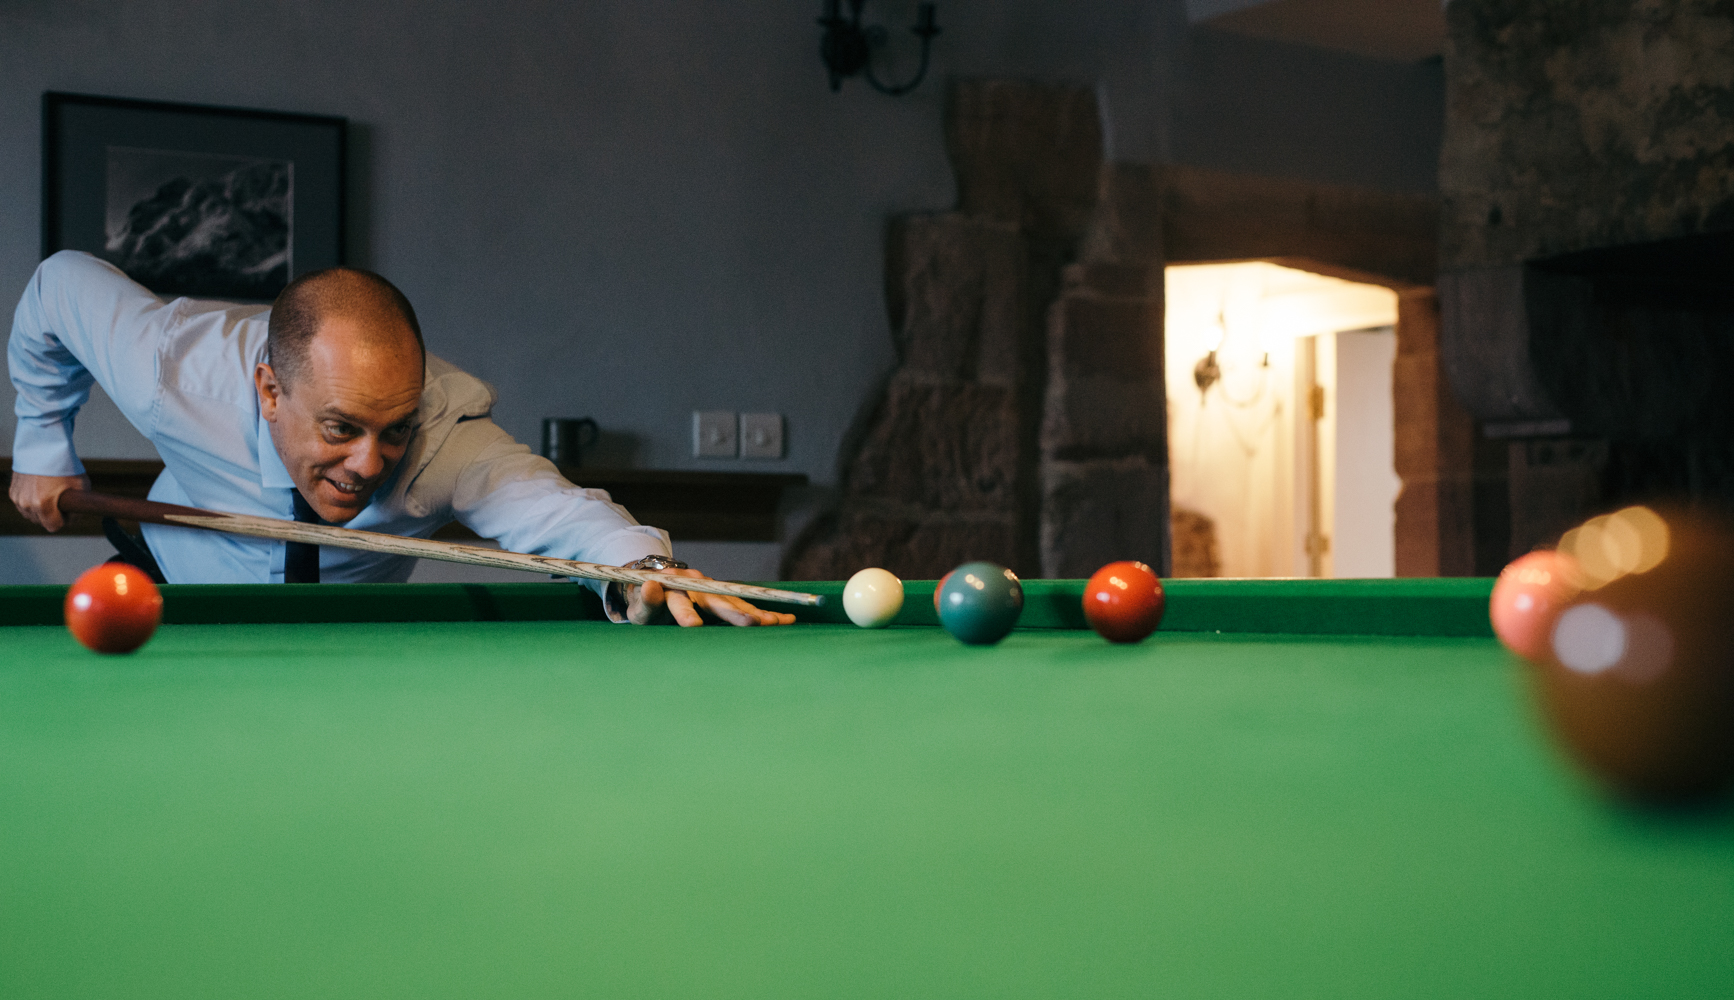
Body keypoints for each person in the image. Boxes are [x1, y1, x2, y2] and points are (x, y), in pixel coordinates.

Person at [8, 251, 793, 627]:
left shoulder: (444, 442)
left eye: (394, 430)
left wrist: (644, 567)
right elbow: (57, 288)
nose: (368, 464)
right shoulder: (173, 368)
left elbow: (554, 511)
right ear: (269, 391)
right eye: (342, 430)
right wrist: (43, 443)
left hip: (353, 636)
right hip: (168, 594)